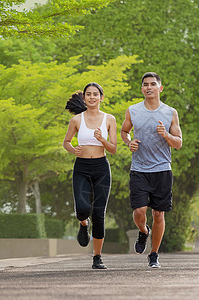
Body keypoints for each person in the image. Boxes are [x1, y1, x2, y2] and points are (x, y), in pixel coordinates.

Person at [121, 72, 182, 268]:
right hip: (139, 168)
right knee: (139, 211)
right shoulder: (133, 110)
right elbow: (124, 131)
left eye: (153, 84)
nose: (149, 87)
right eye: (145, 84)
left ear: (160, 88)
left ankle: (154, 254)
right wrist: (129, 142)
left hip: (162, 169)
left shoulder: (170, 112)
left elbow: (179, 143)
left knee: (158, 214)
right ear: (142, 89)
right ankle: (144, 231)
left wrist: (166, 135)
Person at [63, 82, 117, 269]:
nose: (92, 97)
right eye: (88, 94)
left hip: (101, 168)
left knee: (99, 213)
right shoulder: (76, 120)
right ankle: (83, 224)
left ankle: (97, 257)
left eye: (95, 94)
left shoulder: (109, 119)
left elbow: (114, 149)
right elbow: (67, 142)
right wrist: (73, 150)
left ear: (101, 97)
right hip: (82, 168)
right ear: (84, 98)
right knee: (83, 208)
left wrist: (102, 139)